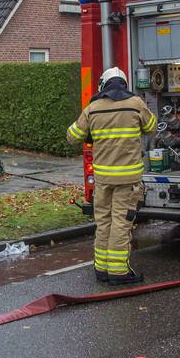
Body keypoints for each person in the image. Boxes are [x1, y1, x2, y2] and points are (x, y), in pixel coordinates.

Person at [67, 67, 156, 284]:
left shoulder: (93, 108)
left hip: (103, 179)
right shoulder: (135, 104)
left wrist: (91, 132)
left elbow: (72, 137)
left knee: (103, 222)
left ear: (102, 85)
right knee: (121, 223)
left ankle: (101, 269)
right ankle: (118, 273)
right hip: (127, 180)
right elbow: (152, 127)